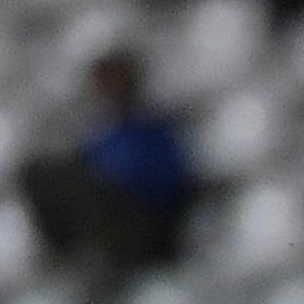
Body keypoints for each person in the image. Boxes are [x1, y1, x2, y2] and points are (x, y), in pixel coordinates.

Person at [19, 48, 198, 277]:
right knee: (40, 174)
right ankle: (71, 256)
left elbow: (166, 184)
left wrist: (116, 181)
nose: (106, 89)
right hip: (107, 218)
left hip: (145, 222)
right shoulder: (99, 134)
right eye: (102, 81)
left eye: (113, 79)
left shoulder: (155, 128)